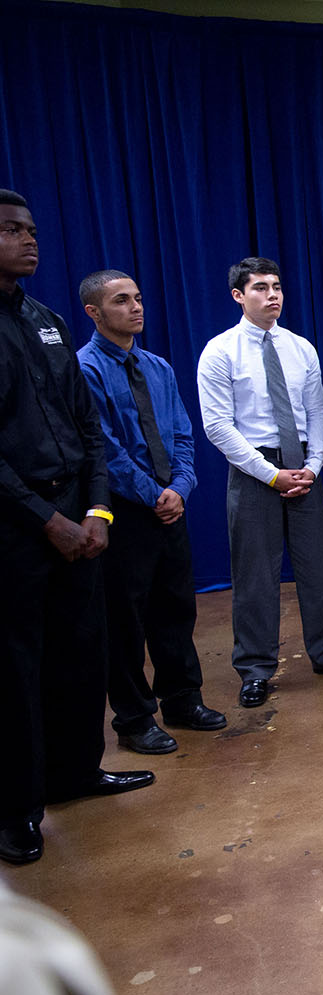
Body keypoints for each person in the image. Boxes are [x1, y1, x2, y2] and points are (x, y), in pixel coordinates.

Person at [0, 189, 153, 867]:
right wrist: (46, 520)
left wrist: (96, 510)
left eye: (31, 228)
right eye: (11, 230)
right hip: (15, 528)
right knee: (15, 674)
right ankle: (17, 809)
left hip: (79, 519)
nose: (29, 240)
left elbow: (87, 429)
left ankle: (76, 773)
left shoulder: (48, 322)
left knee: (79, 656)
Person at [197, 257, 323, 709]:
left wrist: (313, 465)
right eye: (260, 288)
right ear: (238, 295)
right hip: (256, 474)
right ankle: (255, 669)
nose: (272, 295)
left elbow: (319, 413)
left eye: (276, 286)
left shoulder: (300, 348)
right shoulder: (220, 351)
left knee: (316, 571)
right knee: (255, 578)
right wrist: (271, 474)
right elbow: (218, 426)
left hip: (305, 471)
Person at [77, 270, 226, 754]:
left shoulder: (158, 366)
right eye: (122, 301)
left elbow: (183, 434)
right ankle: (135, 717)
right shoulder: (84, 369)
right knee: (126, 619)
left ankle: (183, 699)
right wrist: (152, 494)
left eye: (138, 298)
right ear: (94, 313)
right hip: (125, 512)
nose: (136, 308)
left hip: (170, 505)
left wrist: (179, 488)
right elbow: (103, 448)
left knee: (176, 608)